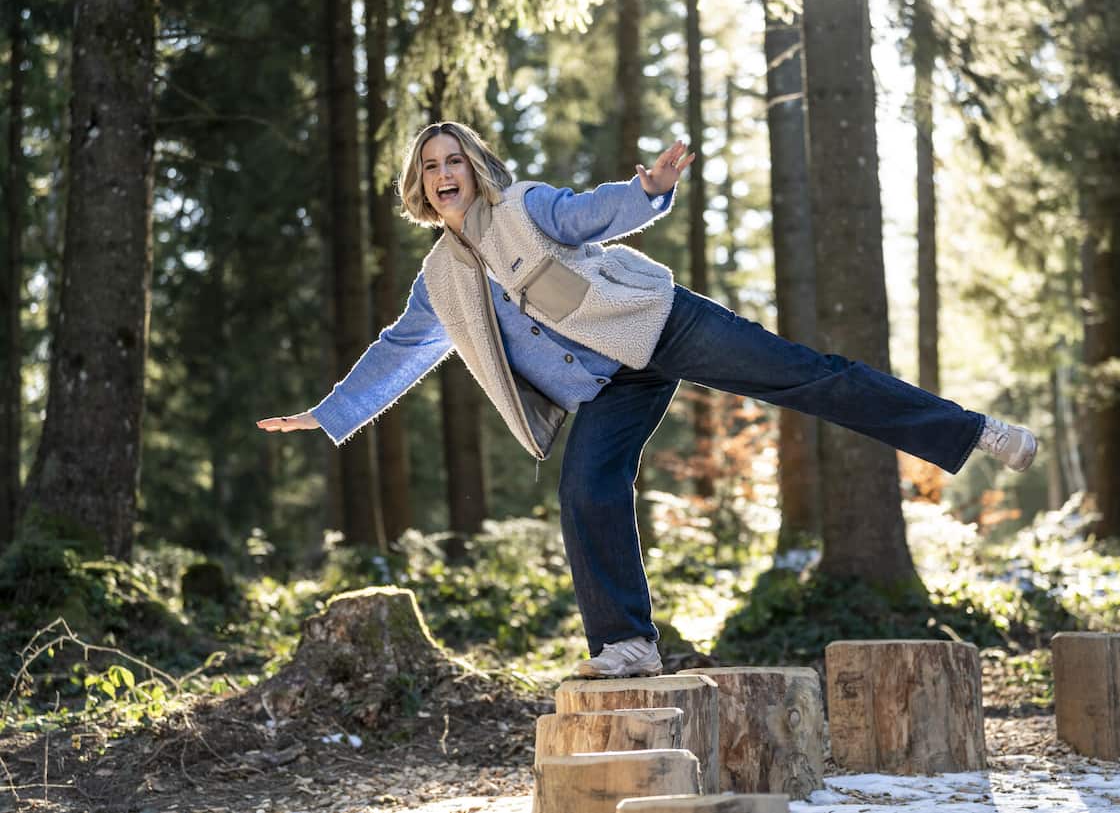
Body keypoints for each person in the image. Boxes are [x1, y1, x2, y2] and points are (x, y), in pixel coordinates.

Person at [258, 120, 1037, 679]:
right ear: (419, 188)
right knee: (586, 489)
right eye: (429, 165)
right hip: (603, 386)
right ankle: (627, 644)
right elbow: (400, 350)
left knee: (809, 374)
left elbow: (589, 209)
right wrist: (330, 412)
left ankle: (975, 434)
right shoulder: (440, 280)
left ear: (476, 168)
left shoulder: (522, 207)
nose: (442, 171)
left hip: (658, 325)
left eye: (453, 157)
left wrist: (647, 190)